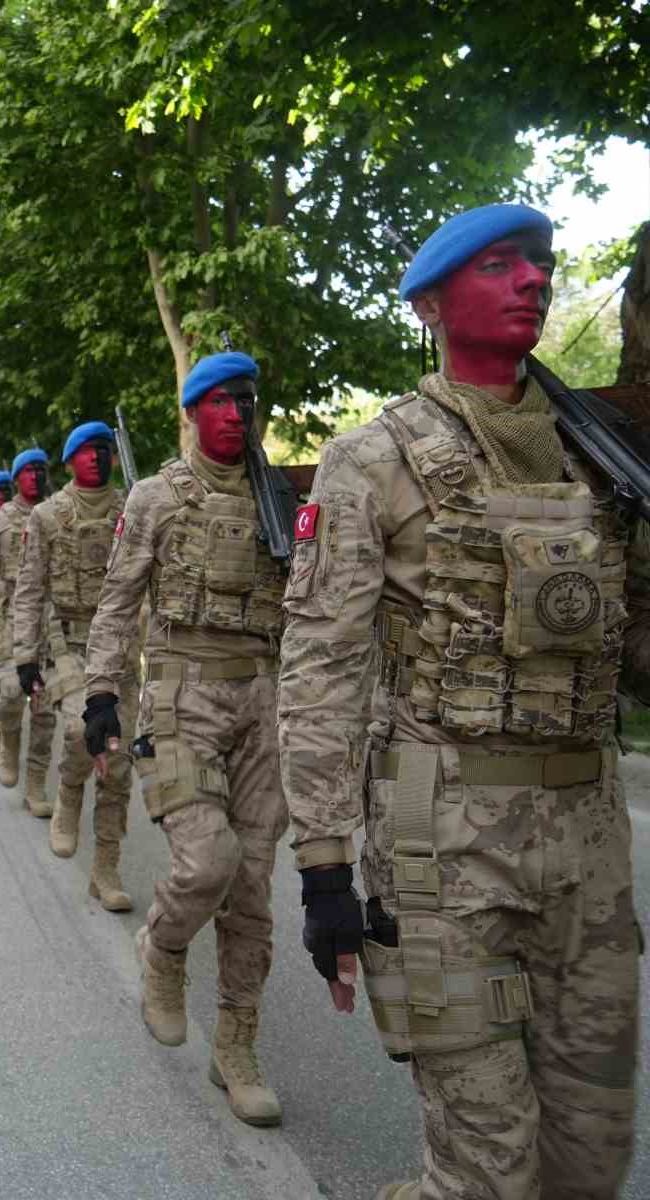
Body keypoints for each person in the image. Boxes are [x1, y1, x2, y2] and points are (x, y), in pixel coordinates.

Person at [280, 204, 648, 1200]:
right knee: (490, 1167)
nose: (532, 279)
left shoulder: (603, 463)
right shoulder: (373, 458)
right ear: (434, 303)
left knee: (589, 1159)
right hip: (439, 845)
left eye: (539, 265)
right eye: (500, 265)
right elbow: (318, 667)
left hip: (587, 850)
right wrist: (321, 870)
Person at [83, 351, 289, 1127]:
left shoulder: (280, 497)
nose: (240, 412)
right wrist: (102, 691)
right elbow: (117, 598)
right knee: (208, 860)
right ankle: (163, 948)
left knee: (253, 892)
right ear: (195, 412)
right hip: (180, 694)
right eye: (224, 402)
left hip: (262, 702)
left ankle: (237, 1047)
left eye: (249, 401)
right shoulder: (156, 497)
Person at [12, 421, 136, 909]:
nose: (98, 459)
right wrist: (25, 655)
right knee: (75, 732)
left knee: (119, 764)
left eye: (104, 451)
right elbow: (29, 592)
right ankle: (67, 790)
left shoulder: (132, 508)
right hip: (67, 644)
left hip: (121, 648)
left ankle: (105, 868)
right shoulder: (47, 517)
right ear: (69, 461)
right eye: (87, 452)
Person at [0, 450, 57, 814]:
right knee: (9, 691)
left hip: (50, 620)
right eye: (29, 471)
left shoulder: (56, 513)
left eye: (41, 470)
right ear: (17, 478)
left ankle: (35, 786)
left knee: (46, 706)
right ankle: (6, 737)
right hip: (9, 618)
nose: (36, 477)